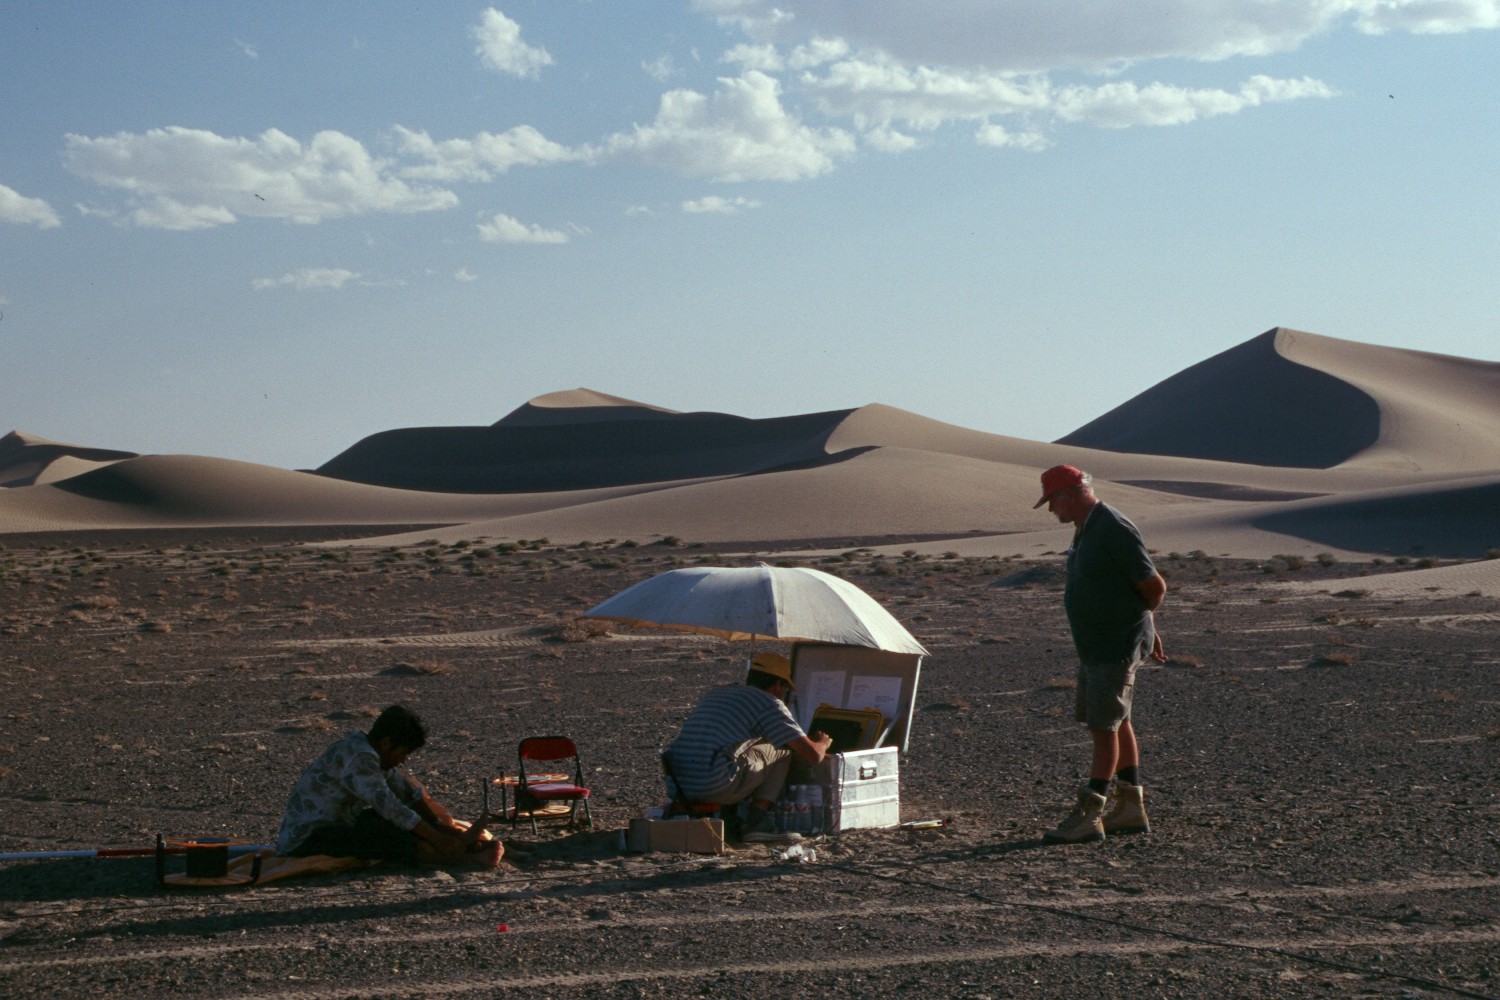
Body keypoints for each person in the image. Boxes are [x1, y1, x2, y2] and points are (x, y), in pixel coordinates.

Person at [1033, 465, 1168, 844]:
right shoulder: (1087, 527)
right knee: (1116, 720)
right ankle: (1130, 808)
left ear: (1071, 494)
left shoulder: (1111, 526)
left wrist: (1143, 624)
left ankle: (1090, 814)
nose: (1050, 510)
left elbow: (1153, 585)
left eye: (1052, 501)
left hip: (1114, 645)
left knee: (1103, 726)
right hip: (1098, 645)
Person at [276, 704, 502, 867]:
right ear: (386, 743)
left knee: (386, 821)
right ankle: (455, 858)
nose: (402, 760)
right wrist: (440, 841)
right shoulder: (359, 758)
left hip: (341, 823)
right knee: (385, 832)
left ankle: (454, 845)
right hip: (308, 838)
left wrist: (441, 827)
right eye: (402, 753)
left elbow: (406, 794)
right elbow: (391, 807)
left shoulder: (374, 754)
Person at [665, 652, 832, 843]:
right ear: (778, 685)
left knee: (752, 749)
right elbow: (813, 756)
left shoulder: (717, 693)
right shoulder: (769, 703)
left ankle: (735, 815)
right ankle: (757, 822)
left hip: (678, 785)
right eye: (785, 689)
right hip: (711, 785)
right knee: (782, 751)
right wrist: (822, 742)